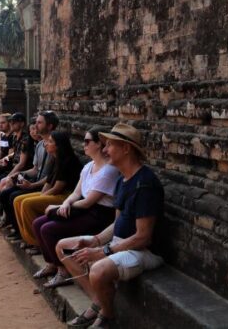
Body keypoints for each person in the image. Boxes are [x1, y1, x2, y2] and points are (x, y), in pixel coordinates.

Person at [58, 122, 164, 329]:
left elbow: (143, 237)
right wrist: (94, 240)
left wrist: (103, 251)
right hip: (120, 242)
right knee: (64, 247)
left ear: (126, 148)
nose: (105, 150)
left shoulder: (145, 183)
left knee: (97, 270)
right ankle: (98, 303)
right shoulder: (122, 180)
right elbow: (117, 223)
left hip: (141, 251)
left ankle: (107, 315)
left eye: (110, 145)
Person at [30, 127, 119, 288]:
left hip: (99, 214)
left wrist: (59, 207)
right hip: (83, 210)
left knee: (48, 229)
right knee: (38, 223)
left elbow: (88, 202)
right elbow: (76, 193)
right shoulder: (88, 167)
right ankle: (51, 263)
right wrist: (65, 203)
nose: (83, 145)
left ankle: (63, 272)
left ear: (99, 144)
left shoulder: (108, 171)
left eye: (87, 141)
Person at [12, 130, 80, 248]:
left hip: (66, 197)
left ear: (58, 145)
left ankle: (37, 243)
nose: (45, 144)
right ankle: (28, 239)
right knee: (17, 200)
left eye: (50, 142)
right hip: (56, 194)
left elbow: (57, 188)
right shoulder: (55, 158)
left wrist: (40, 197)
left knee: (27, 203)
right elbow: (49, 182)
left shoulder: (68, 161)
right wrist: (37, 191)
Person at [0, 111, 59, 236]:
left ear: (50, 126)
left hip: (46, 185)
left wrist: (32, 186)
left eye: (39, 123)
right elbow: (35, 169)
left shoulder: (56, 145)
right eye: (36, 123)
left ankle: (26, 234)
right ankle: (18, 230)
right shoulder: (40, 145)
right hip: (36, 180)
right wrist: (17, 175)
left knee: (13, 196)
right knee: (5, 194)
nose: (35, 126)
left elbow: (52, 176)